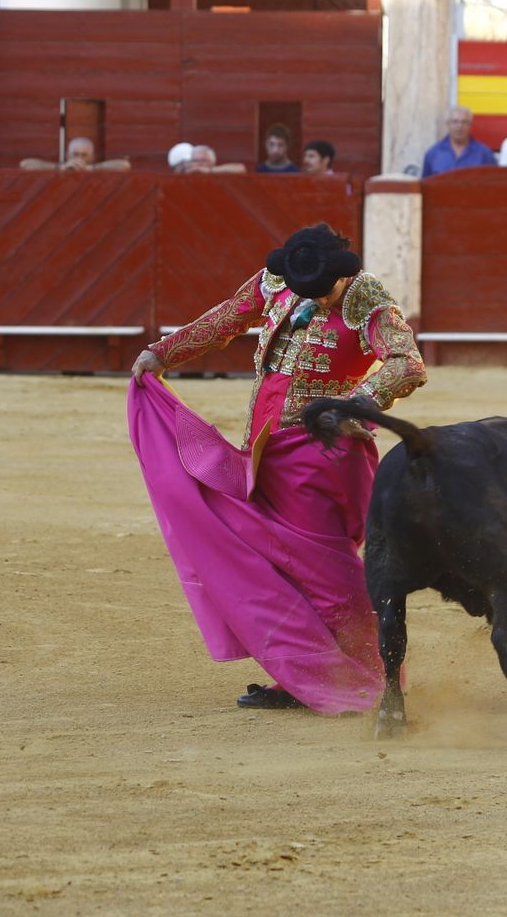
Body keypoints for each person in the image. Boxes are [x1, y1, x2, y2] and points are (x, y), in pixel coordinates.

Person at [127, 223, 427, 714]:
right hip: (263, 445)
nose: (310, 295)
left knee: (322, 566)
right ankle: (304, 672)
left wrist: (354, 403)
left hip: (322, 449)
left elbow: (406, 363)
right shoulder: (278, 278)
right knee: (281, 565)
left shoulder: (365, 295)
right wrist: (164, 350)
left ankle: (375, 678)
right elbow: (227, 318)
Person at [421, 106, 498, 176]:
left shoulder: (484, 154)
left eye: (464, 122)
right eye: (455, 122)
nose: (459, 126)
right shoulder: (433, 153)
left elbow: (494, 185)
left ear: (470, 125)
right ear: (448, 124)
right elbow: (425, 187)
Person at [19, 137, 132, 171]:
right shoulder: (61, 168)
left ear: (92, 157)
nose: (79, 158)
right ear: (68, 155)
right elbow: (25, 164)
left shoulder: (95, 169)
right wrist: (60, 167)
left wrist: (89, 169)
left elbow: (124, 165)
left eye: (84, 155)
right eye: (75, 154)